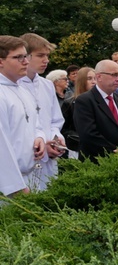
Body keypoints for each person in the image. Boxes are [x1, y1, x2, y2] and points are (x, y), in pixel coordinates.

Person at [19, 33, 65, 191]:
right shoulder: (14, 85)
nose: (46, 60)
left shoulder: (47, 85)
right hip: (27, 158)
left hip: (48, 161)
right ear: (26, 56)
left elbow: (56, 120)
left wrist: (55, 140)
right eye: (40, 55)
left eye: (47, 55)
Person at [0, 36, 45, 195]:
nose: (26, 61)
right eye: (18, 57)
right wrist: (16, 188)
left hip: (31, 175)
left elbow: (34, 123)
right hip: (9, 187)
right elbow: (1, 147)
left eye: (26, 56)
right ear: (1, 61)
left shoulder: (22, 89)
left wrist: (40, 137)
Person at [73, 60, 118, 163]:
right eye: (114, 75)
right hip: (96, 162)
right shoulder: (85, 100)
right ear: (99, 77)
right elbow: (88, 134)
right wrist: (112, 151)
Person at [61, 66, 96, 160]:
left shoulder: (101, 102)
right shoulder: (69, 103)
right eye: (89, 79)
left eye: (95, 78)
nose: (94, 82)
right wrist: (77, 138)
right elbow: (64, 128)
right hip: (77, 149)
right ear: (82, 81)